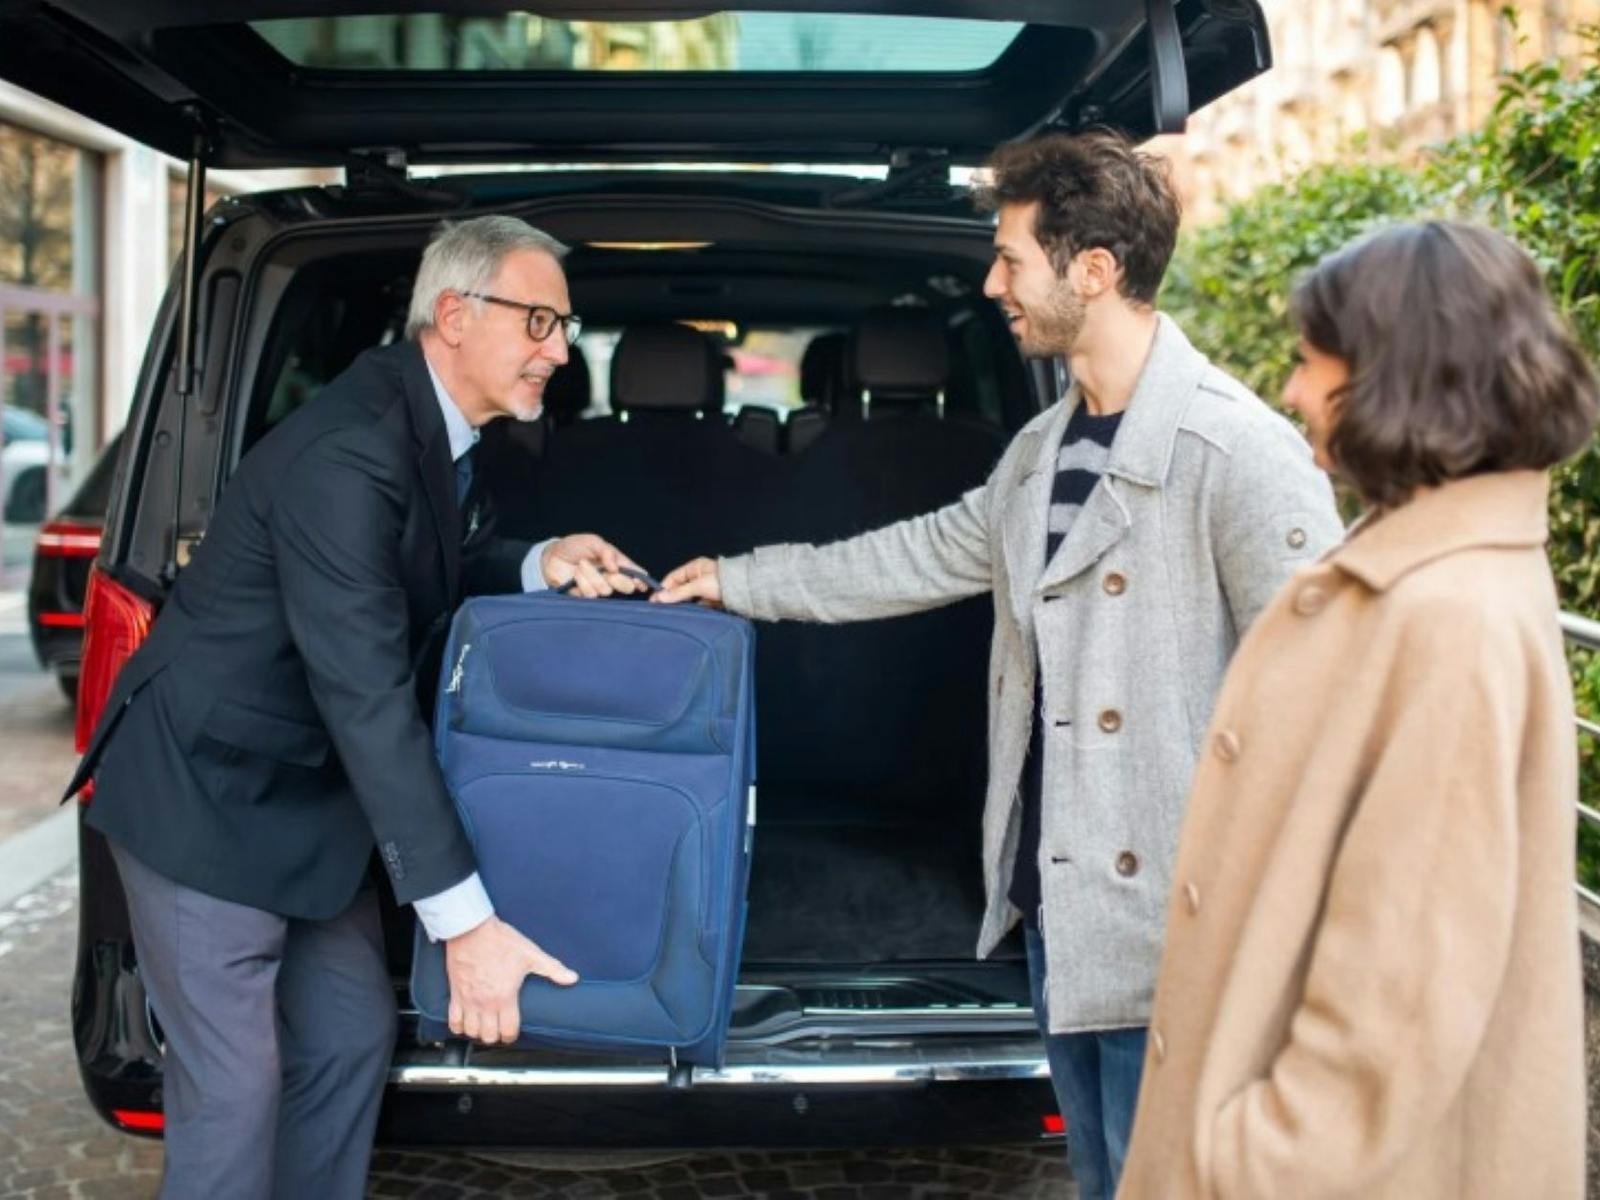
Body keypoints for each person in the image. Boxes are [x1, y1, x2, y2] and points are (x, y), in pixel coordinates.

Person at [653, 131, 1344, 1199]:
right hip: (1054, 908)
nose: (991, 284)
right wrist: (741, 578)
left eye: (1010, 258)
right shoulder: (1042, 448)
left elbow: (1324, 709)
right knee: (1105, 1176)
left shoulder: (1236, 455)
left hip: (1183, 935)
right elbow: (918, 553)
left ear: (1094, 270)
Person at [64, 215, 647, 1200]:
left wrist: (539, 564)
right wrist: (465, 926)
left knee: (344, 1039)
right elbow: (365, 692)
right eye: (540, 321)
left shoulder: (432, 422)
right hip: (205, 794)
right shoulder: (351, 450)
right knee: (236, 1084)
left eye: (564, 324)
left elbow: (419, 568)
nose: (561, 350)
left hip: (306, 798)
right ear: (455, 315)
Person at [1116, 220, 1600, 1199]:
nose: (1292, 390)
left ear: (1393, 375)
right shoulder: (1436, 578)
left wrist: (1239, 1163)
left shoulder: (1444, 617)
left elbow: (1399, 1003)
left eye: (1308, 362)